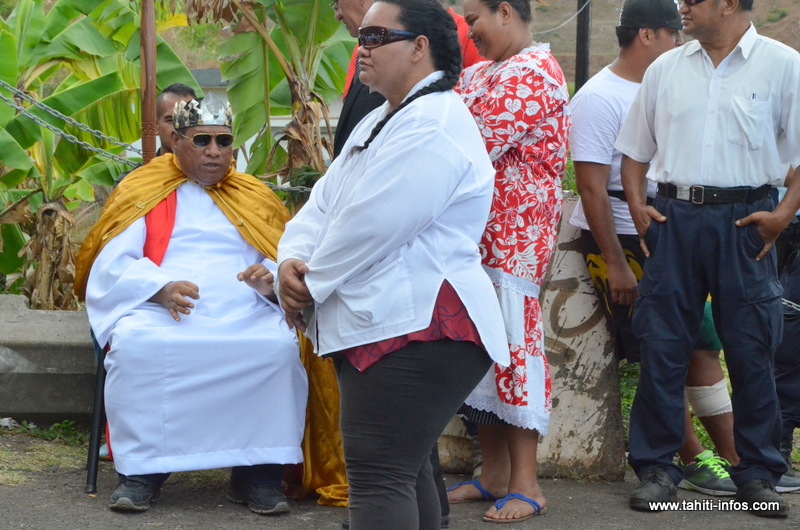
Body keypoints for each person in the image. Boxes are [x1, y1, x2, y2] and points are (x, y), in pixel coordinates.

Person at [277, 0, 510, 527]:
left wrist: (305, 285)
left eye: (378, 36)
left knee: (381, 475)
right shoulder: (386, 118)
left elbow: (372, 222)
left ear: (421, 47)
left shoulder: (434, 121)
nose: (363, 45)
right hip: (393, 319)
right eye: (364, 35)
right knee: (402, 472)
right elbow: (322, 206)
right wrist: (290, 260)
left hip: (423, 323)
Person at [74, 97, 308, 515]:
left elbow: (280, 254)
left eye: (223, 141)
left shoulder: (252, 193)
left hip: (244, 309)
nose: (214, 151)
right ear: (176, 141)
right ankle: (143, 473)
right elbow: (111, 262)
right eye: (202, 140)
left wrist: (268, 280)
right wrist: (158, 287)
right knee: (137, 346)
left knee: (275, 349)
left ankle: (257, 474)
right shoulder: (142, 188)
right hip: (161, 308)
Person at [616, 0, 800, 517]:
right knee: (662, 344)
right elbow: (634, 151)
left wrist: (783, 213)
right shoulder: (666, 69)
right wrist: (637, 205)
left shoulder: (782, 65)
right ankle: (656, 468)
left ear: (728, 3)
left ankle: (758, 473)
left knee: (752, 346)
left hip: (748, 221)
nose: (682, 7)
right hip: (675, 220)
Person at [568, 0, 740, 497]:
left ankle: (734, 458)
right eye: (673, 34)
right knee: (659, 351)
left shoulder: (664, 84)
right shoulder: (600, 96)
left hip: (667, 232)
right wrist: (618, 265)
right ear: (647, 35)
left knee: (702, 342)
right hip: (620, 236)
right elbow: (592, 188)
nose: (680, 44)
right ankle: (692, 459)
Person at [446, 0, 570, 523]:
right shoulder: (481, 72)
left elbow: (468, 141)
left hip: (514, 241)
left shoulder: (535, 71)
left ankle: (527, 483)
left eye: (474, 19)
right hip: (474, 243)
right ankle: (494, 473)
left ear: (504, 11)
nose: (469, 31)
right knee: (484, 357)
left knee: (515, 355)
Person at [331, 0, 482, 158]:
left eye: (375, 38)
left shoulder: (431, 124)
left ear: (419, 47)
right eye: (366, 39)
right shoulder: (363, 55)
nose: (337, 15)